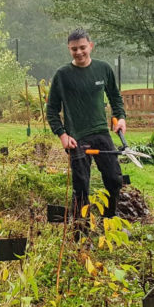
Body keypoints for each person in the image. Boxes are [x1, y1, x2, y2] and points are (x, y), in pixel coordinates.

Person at [46, 28, 126, 218]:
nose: (79, 52)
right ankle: (80, 228)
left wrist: (120, 117)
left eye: (82, 47)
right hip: (77, 136)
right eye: (74, 49)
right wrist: (62, 135)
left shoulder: (103, 69)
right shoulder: (62, 75)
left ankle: (110, 219)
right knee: (81, 186)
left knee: (114, 179)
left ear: (91, 46)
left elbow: (115, 96)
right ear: (69, 49)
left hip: (101, 132)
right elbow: (52, 109)